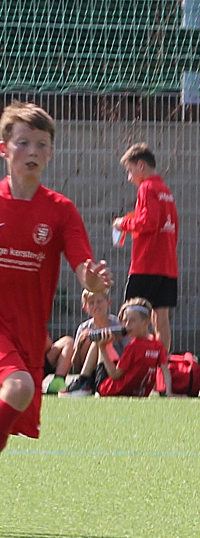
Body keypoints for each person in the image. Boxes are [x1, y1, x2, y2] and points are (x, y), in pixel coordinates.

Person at [0, 101, 112, 452]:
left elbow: (82, 264)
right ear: (4, 148)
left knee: (14, 406)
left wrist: (92, 281)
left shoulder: (60, 211)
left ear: (50, 152)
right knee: (18, 387)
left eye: (41, 144)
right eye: (23, 143)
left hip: (29, 335)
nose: (33, 151)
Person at [114, 142, 178, 395]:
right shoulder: (166, 191)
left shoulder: (147, 188)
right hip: (167, 265)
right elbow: (169, 226)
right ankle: (159, 376)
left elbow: (148, 222)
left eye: (130, 171)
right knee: (161, 319)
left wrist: (123, 223)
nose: (129, 178)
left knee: (128, 316)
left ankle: (128, 370)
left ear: (141, 166)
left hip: (145, 264)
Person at [58, 288, 125, 396]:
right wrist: (79, 343)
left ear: (108, 303)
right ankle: (86, 382)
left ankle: (86, 381)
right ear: (85, 308)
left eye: (99, 302)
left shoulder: (117, 325)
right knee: (90, 339)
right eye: (91, 303)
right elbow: (75, 364)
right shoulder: (83, 327)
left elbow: (127, 351)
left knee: (98, 340)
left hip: (111, 369)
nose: (96, 306)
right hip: (90, 371)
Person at [95, 298, 166, 398]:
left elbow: (115, 375)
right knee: (105, 343)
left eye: (132, 321)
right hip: (140, 393)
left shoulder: (133, 347)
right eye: (125, 321)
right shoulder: (157, 345)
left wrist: (102, 349)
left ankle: (84, 380)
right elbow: (165, 370)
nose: (127, 325)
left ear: (146, 322)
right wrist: (168, 392)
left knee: (97, 343)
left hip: (108, 389)